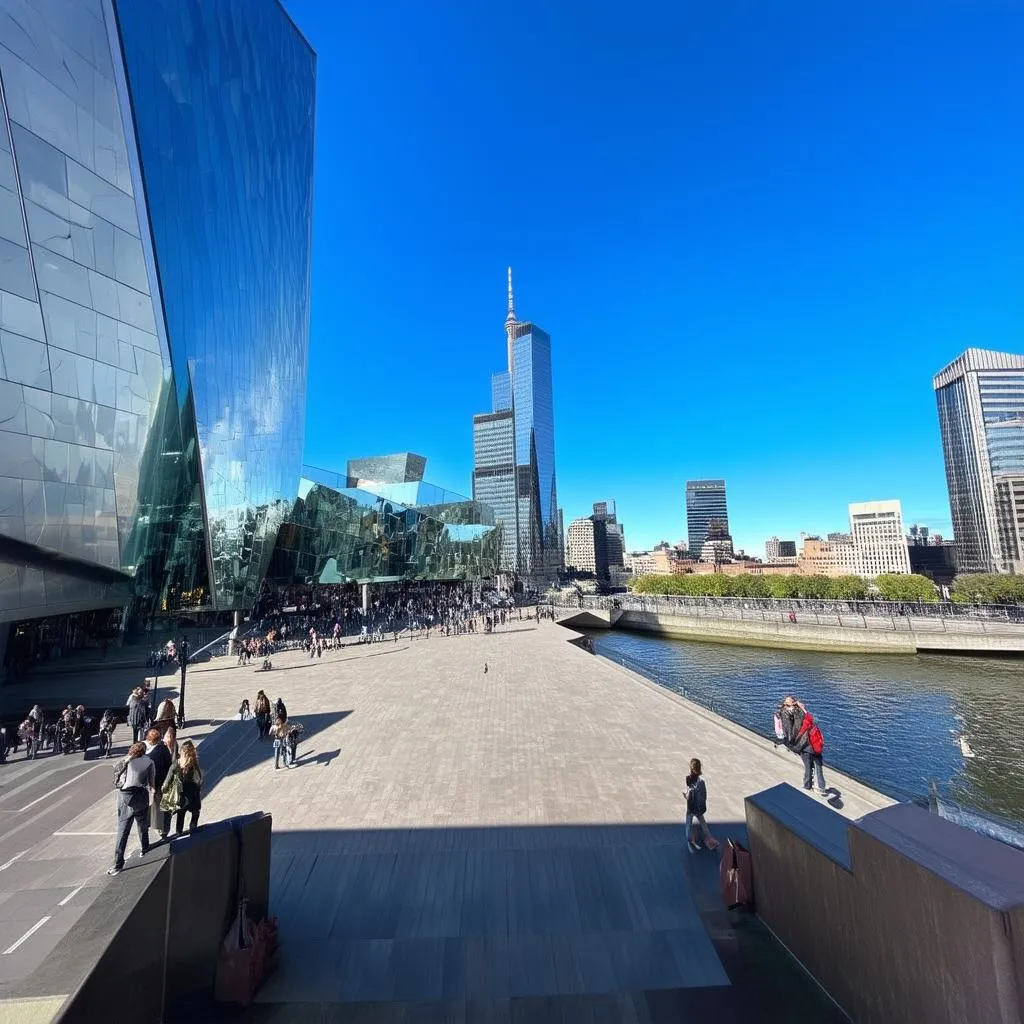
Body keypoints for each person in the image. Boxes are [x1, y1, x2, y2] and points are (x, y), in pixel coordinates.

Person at [109, 741, 154, 875]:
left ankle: (118, 864)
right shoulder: (149, 762)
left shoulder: (126, 760)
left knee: (123, 831)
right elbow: (151, 782)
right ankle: (145, 849)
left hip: (125, 797)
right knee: (142, 825)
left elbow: (117, 775)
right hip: (141, 795)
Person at [144, 728, 173, 841]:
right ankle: (164, 831)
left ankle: (158, 829)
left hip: (154, 785)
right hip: (162, 783)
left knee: (155, 808)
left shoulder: (149, 753)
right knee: (163, 808)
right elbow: (169, 764)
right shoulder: (164, 749)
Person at [684, 758, 714, 853]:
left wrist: (685, 795)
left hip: (691, 807)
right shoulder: (702, 782)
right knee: (703, 824)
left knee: (688, 825)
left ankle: (690, 841)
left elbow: (688, 794)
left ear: (691, 768)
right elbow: (704, 796)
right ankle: (709, 839)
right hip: (698, 808)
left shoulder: (688, 778)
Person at [174, 740, 203, 834]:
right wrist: (199, 784)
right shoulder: (193, 760)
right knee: (195, 810)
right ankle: (193, 827)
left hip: (182, 789)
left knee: (181, 812)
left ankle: (179, 832)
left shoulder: (178, 761)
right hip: (192, 788)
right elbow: (199, 774)